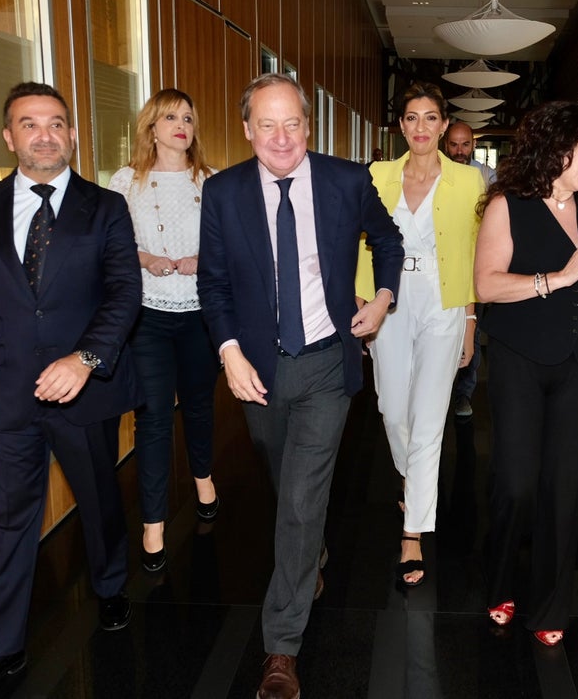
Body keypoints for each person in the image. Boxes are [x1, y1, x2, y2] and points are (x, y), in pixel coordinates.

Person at [197, 73, 403, 699]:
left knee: (300, 500)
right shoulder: (225, 192)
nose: (281, 138)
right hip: (258, 369)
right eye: (267, 124)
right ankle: (306, 558)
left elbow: (388, 237)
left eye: (292, 124)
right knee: (281, 476)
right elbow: (214, 283)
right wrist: (229, 352)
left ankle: (281, 648)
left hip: (324, 363)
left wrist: (384, 297)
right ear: (246, 129)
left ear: (308, 127)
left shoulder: (345, 180)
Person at [0, 82, 141, 699]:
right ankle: (2, 649)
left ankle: (110, 587)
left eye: (56, 123)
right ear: (9, 137)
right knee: (10, 517)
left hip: (83, 391)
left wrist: (85, 359)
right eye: (30, 124)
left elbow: (123, 294)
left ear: (73, 135)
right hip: (4, 394)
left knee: (99, 499)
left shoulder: (105, 207)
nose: (45, 134)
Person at [475, 101, 578, 647]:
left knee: (565, 487)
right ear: (554, 146)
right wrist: (559, 276)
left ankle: (550, 602)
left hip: (573, 362)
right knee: (517, 484)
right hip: (518, 358)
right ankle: (498, 580)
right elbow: (489, 286)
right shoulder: (508, 204)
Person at [355, 82, 484, 587]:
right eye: (412, 118)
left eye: (431, 118)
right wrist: (363, 301)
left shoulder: (468, 181)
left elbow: (475, 254)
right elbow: (359, 239)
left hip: (444, 297)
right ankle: (415, 477)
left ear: (443, 123)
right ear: (401, 125)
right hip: (389, 295)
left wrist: (471, 321)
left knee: (430, 414)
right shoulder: (378, 175)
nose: (422, 128)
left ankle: (413, 530)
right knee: (391, 406)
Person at [107, 89, 219, 573]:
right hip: (148, 314)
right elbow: (111, 247)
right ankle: (152, 523)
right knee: (152, 415)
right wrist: (145, 258)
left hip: (199, 313)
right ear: (151, 126)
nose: (181, 125)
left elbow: (231, 246)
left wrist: (202, 260)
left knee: (197, 404)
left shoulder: (210, 181)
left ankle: (203, 478)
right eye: (170, 116)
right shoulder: (125, 181)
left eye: (189, 117)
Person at [444, 120, 493, 419]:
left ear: (473, 145)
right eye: (454, 144)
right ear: (445, 145)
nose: (459, 150)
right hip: (440, 267)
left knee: (469, 333)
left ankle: (463, 394)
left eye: (465, 144)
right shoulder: (435, 173)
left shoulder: (487, 177)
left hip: (473, 267)